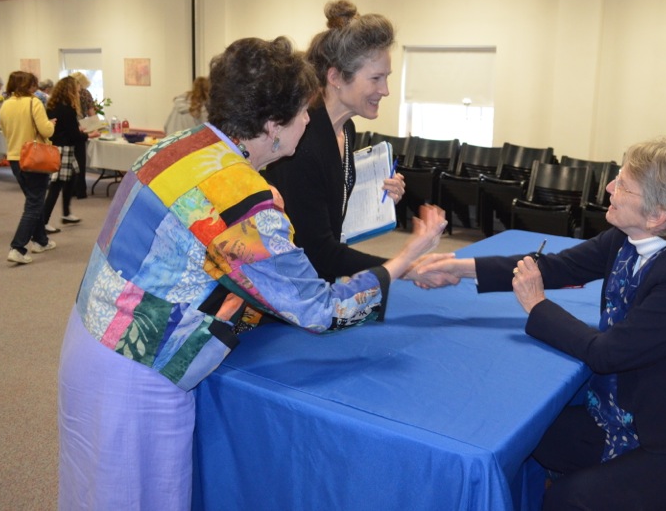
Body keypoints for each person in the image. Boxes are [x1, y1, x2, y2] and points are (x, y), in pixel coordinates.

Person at [57, 36, 447, 511]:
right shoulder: (242, 202)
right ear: (272, 126)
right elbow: (321, 309)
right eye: (302, 112)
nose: (310, 118)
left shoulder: (185, 146)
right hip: (137, 369)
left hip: (89, 336)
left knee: (92, 488)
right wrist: (406, 258)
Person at [416, 139, 666, 511]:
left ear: (657, 216)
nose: (609, 189)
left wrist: (537, 306)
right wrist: (462, 269)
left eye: (622, 185)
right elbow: (557, 266)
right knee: (522, 438)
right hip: (635, 411)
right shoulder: (631, 236)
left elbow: (608, 353)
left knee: (569, 500)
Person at [262, 0, 406, 282]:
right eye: (376, 78)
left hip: (320, 282)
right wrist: (405, 266)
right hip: (289, 287)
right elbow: (318, 250)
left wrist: (377, 198)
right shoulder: (301, 142)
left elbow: (330, 214)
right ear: (336, 77)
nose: (385, 90)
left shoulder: (346, 130)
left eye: (386, 78)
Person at [0, 71, 57, 264]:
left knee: (35, 199)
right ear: (29, 86)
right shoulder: (34, 103)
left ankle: (40, 241)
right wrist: (50, 123)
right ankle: (17, 247)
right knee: (34, 205)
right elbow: (46, 130)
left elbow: (6, 131)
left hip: (15, 158)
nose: (35, 88)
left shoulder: (5, 105)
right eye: (33, 84)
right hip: (34, 158)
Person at [43, 76, 98, 232]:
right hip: (64, 150)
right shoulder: (67, 109)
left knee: (72, 178)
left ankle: (66, 213)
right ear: (70, 91)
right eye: (77, 89)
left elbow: (63, 129)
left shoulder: (54, 106)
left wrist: (77, 131)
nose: (79, 92)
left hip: (59, 147)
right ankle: (44, 221)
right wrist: (89, 135)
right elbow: (74, 135)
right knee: (56, 185)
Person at [69, 71, 96, 199]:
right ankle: (81, 190)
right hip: (83, 128)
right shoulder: (86, 93)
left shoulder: (67, 95)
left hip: (69, 129)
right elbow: (91, 112)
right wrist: (96, 127)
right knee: (80, 160)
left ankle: (71, 189)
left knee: (70, 160)